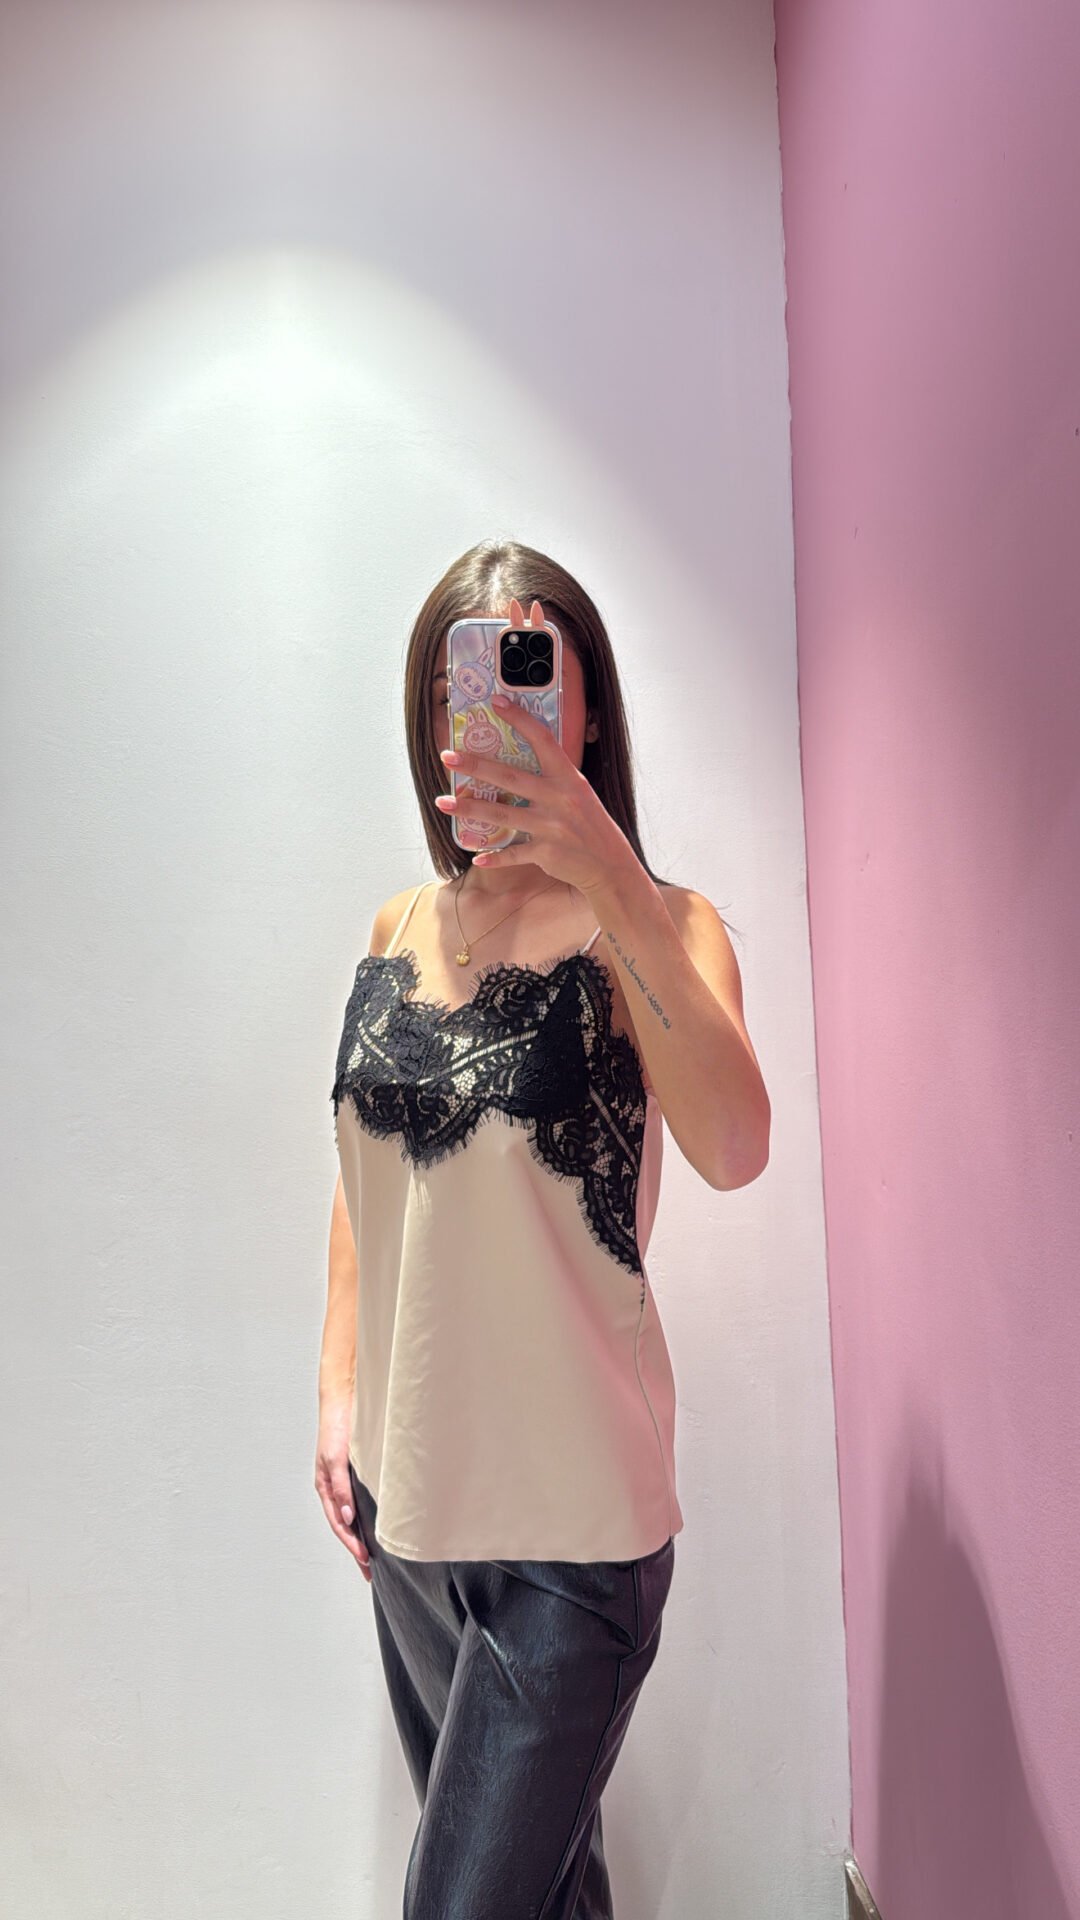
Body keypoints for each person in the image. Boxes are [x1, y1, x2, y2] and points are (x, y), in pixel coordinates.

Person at [315, 541, 771, 1919]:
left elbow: (735, 1148)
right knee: (546, 1895)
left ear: (589, 715)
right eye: (458, 681)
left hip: (574, 1527)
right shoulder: (400, 925)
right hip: (411, 1511)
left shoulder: (666, 926)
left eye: (528, 670)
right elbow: (366, 1168)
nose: (487, 709)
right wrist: (338, 1387)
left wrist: (605, 868)